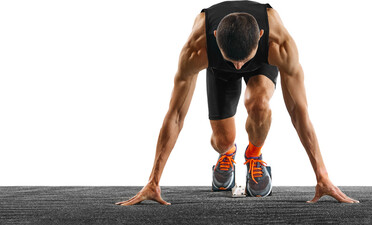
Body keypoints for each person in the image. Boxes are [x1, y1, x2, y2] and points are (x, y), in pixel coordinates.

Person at [116, 1, 358, 206]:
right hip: (218, 65)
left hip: (261, 63)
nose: (239, 68)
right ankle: (228, 153)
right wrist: (153, 181)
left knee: (258, 102)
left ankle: (254, 156)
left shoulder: (280, 46)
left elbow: (299, 111)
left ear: (262, 36)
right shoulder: (196, 50)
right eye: (234, 62)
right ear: (213, 38)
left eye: (243, 61)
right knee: (223, 141)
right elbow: (176, 115)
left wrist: (322, 176)